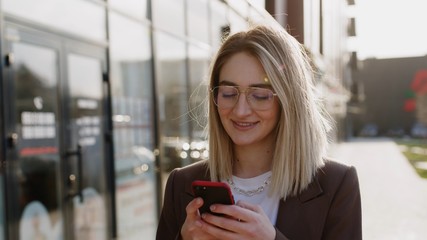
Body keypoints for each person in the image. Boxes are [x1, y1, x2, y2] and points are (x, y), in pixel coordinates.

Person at [156, 23, 362, 240]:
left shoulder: (337, 183)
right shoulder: (181, 183)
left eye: (260, 95)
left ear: (289, 101)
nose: (241, 110)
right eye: (228, 93)